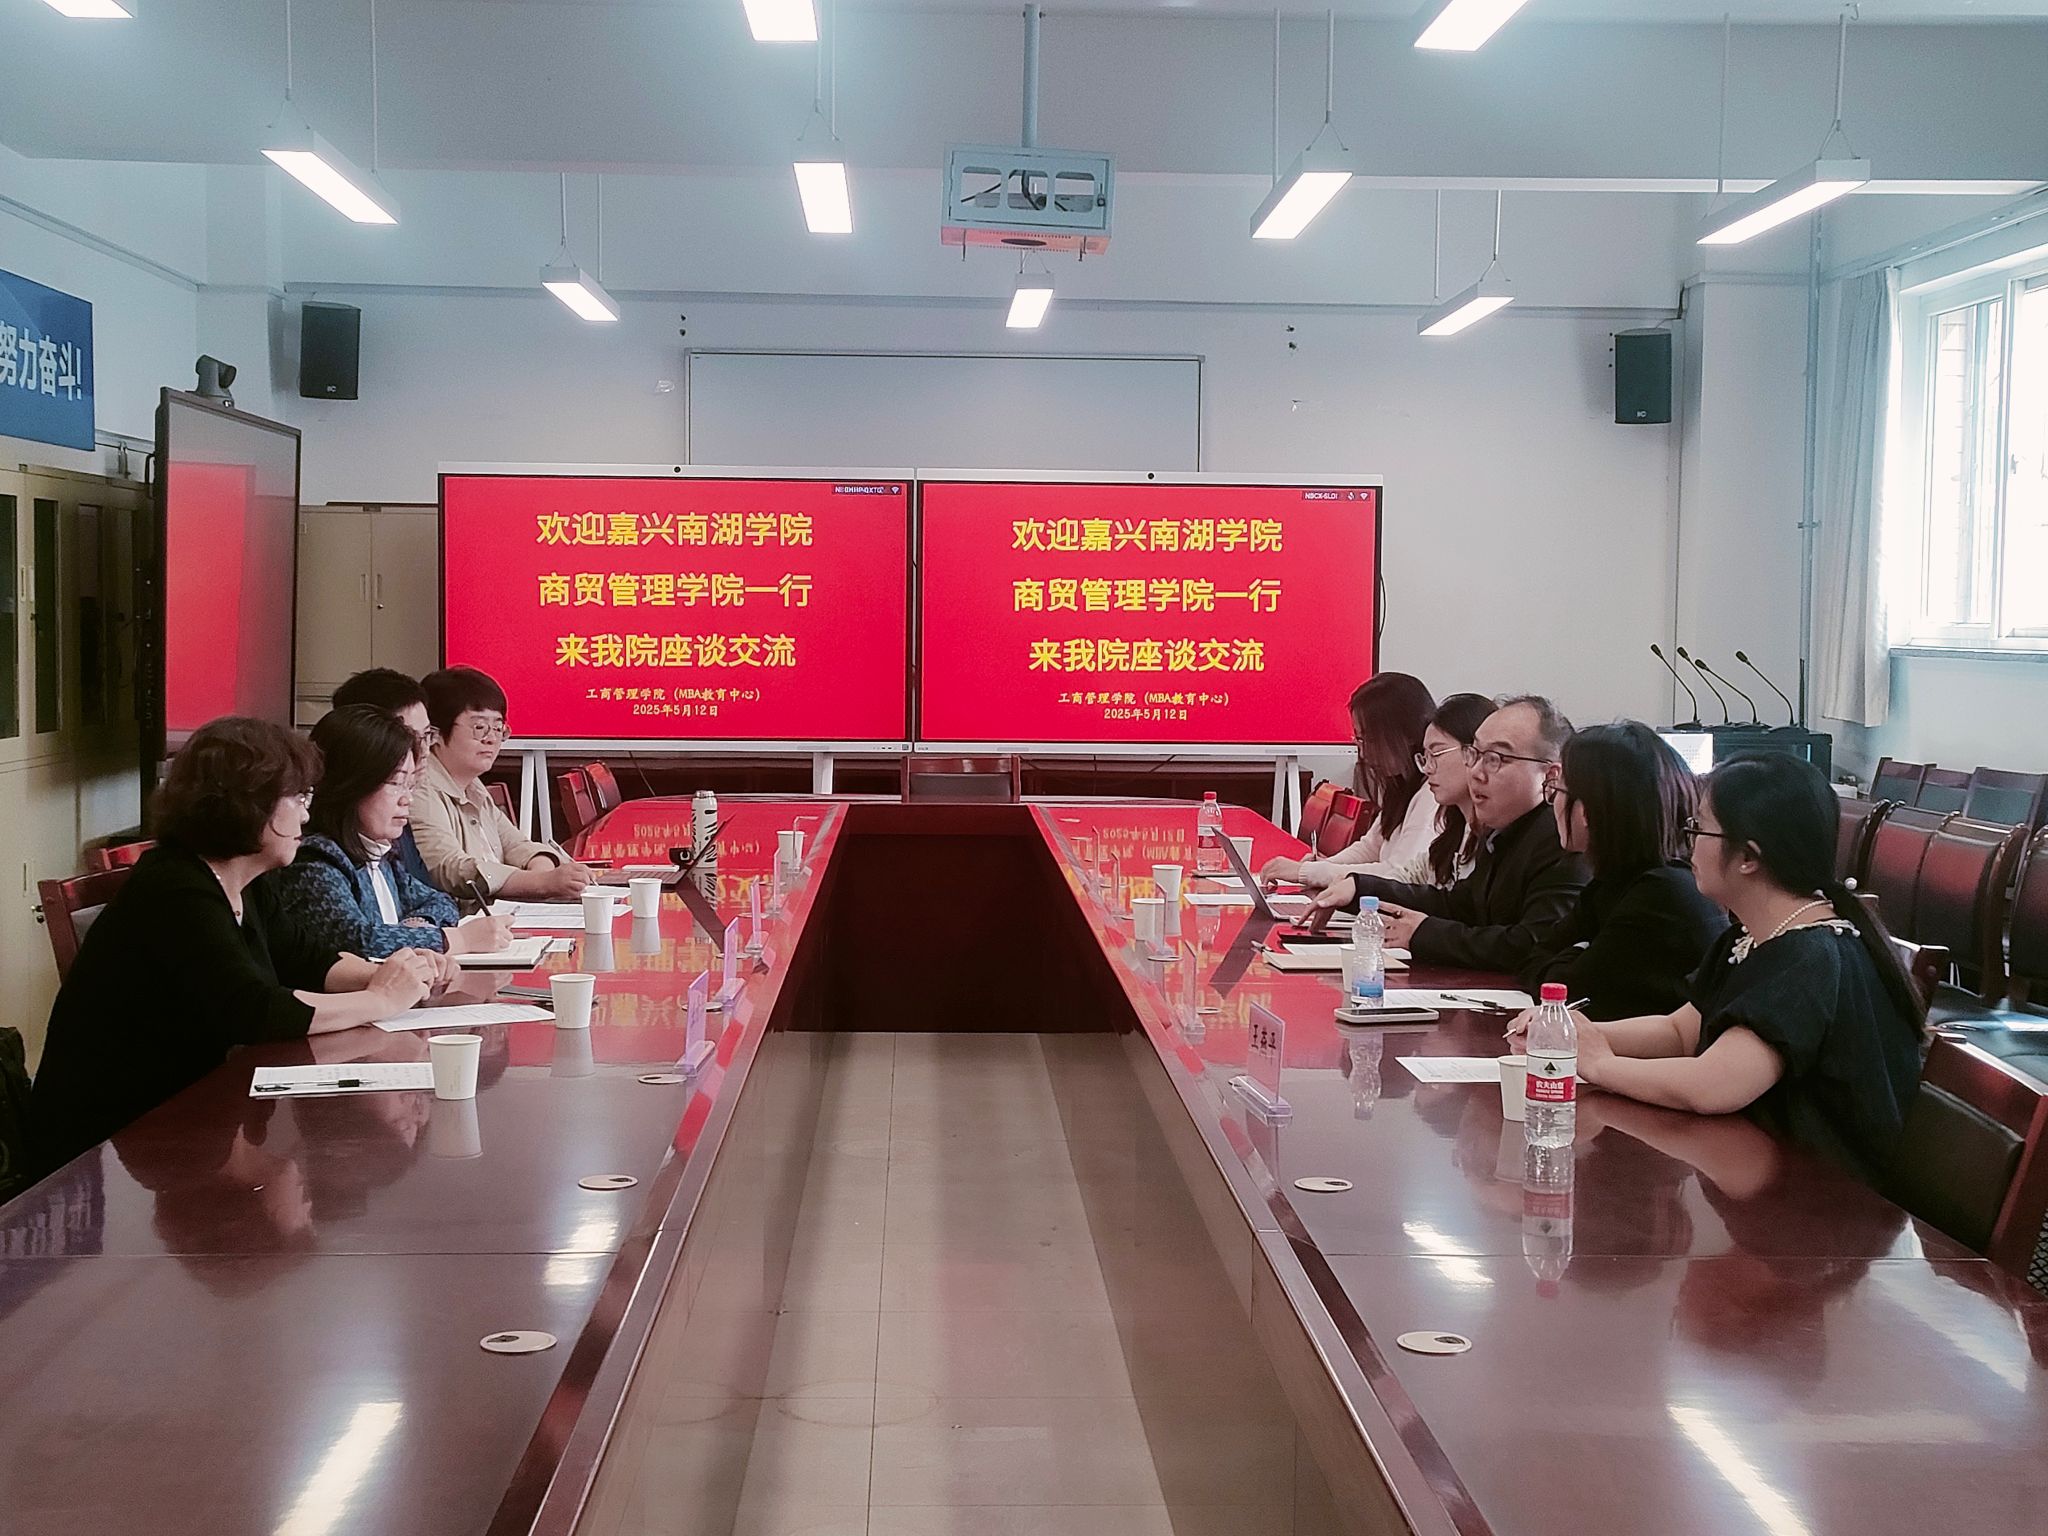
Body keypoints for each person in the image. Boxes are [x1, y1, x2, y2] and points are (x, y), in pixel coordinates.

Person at [27, 717, 449, 1177]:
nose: (306, 815)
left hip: (196, 1112)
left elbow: (307, 959)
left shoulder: (245, 879)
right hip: (114, 1139)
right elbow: (254, 1011)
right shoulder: (176, 888)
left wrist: (394, 975)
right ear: (248, 803)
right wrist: (379, 1000)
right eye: (298, 798)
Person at [1520, 751, 1926, 1185]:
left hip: (1827, 1199)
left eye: (1698, 828)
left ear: (1748, 857)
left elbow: (1714, 1084)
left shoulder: (1810, 956)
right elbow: (1679, 1032)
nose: (1689, 843)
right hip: (1764, 1172)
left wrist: (1600, 1064)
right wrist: (1567, 1031)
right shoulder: (1750, 937)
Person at [1310, 695, 1589, 971]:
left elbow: (1534, 944)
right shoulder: (1505, 830)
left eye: (1496, 759)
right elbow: (1461, 904)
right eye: (1475, 754)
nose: (1476, 772)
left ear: (1550, 776)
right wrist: (1361, 888)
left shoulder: (1563, 840)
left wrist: (1423, 934)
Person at [1519, 722, 1728, 1019]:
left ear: (1587, 811)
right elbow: (1534, 961)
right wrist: (1577, 953)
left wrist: (1574, 952)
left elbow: (1567, 993)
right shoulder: (1615, 881)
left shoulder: (1660, 895)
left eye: (1558, 790)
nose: (1553, 802)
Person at [274, 706, 517, 958]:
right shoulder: (314, 861)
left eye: (410, 785)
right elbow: (357, 940)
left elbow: (440, 901)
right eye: (395, 783)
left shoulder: (380, 853)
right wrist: (457, 939)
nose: (407, 799)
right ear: (350, 782)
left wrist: (419, 924)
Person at [409, 666, 596, 902]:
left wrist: (542, 871)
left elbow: (516, 844)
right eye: (479, 728)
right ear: (434, 733)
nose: (491, 739)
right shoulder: (419, 788)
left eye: (498, 728)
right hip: (464, 920)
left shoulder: (472, 785)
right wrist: (541, 883)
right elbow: (448, 867)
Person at [1260, 674, 1440, 892]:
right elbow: (1369, 848)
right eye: (1359, 740)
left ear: (1407, 733)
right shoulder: (1402, 786)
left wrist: (1307, 872)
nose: (1363, 753)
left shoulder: (1432, 795)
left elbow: (1399, 875)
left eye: (1370, 739)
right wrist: (1317, 867)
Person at [331, 667, 438, 889]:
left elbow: (425, 892)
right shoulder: (324, 858)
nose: (424, 750)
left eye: (427, 735)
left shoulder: (398, 806)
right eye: (410, 738)